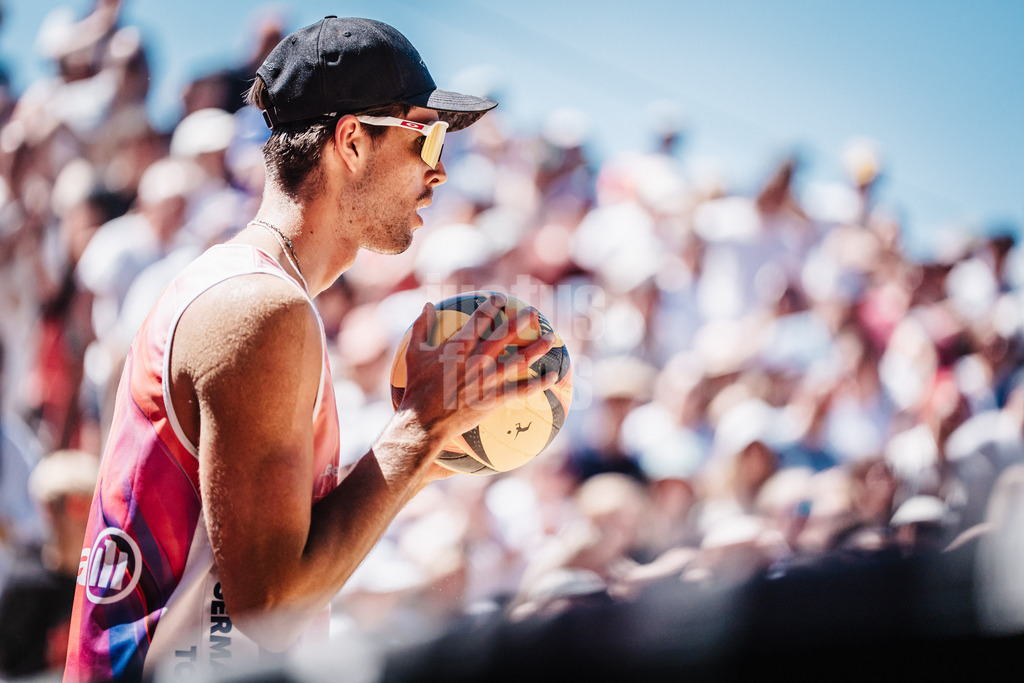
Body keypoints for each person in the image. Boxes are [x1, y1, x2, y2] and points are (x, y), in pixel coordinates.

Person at [63, 16, 555, 683]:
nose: (440, 171)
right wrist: (418, 429)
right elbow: (265, 609)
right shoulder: (261, 309)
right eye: (427, 136)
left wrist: (434, 450)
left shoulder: (254, 291)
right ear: (351, 140)